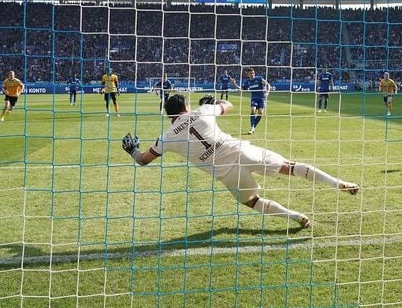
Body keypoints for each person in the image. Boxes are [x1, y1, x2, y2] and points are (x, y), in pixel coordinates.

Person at [123, 94, 359, 230]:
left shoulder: (166, 137)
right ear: (186, 107)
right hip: (240, 151)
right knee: (291, 166)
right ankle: (338, 182)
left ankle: (297, 217)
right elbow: (228, 106)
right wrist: (215, 101)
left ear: (170, 115)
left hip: (226, 173)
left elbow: (143, 160)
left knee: (252, 201)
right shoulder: (203, 110)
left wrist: (133, 151)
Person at [241, 68, 271, 134]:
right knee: (253, 110)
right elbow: (242, 89)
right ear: (248, 74)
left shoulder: (259, 79)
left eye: (253, 73)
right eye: (251, 73)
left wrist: (267, 93)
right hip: (254, 98)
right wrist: (234, 84)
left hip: (262, 98)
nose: (252, 74)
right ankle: (252, 127)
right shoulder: (247, 82)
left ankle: (253, 127)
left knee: (260, 112)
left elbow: (268, 85)